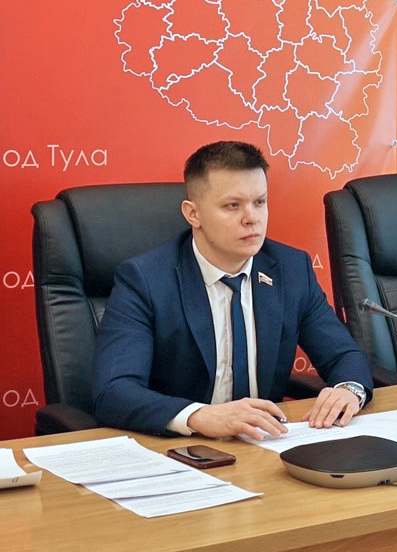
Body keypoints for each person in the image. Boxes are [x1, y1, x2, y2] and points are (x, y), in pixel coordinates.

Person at [93, 141, 373, 438]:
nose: (252, 218)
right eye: (232, 205)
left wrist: (349, 389)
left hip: (264, 443)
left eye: (259, 202)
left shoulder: (291, 270)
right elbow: (114, 391)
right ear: (193, 214)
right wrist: (198, 416)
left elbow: (343, 355)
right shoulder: (145, 280)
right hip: (181, 448)